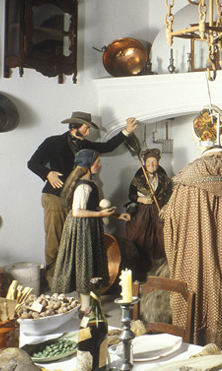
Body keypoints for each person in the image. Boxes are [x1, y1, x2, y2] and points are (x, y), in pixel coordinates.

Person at [161, 106, 222, 350]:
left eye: (194, 133)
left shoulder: (196, 171)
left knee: (205, 283)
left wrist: (167, 211)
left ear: (202, 134)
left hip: (201, 242)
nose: (193, 139)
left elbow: (175, 213)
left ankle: (202, 343)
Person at [28, 111, 139, 286]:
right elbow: (32, 163)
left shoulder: (84, 145)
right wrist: (47, 173)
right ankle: (53, 281)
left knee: (72, 240)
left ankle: (68, 280)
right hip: (55, 196)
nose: (88, 132)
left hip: (75, 197)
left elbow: (107, 146)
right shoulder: (53, 142)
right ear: (74, 127)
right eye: (86, 128)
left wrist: (127, 131)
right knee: (54, 240)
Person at [51, 149, 130, 312]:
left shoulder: (88, 183)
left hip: (89, 227)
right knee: (85, 266)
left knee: (90, 265)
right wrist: (101, 213)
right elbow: (77, 212)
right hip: (82, 229)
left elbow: (89, 207)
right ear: (87, 165)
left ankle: (91, 307)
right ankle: (86, 309)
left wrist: (116, 215)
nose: (100, 165)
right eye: (97, 162)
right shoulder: (83, 186)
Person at [124, 148, 172, 272]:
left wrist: (165, 207)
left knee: (161, 238)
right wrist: (141, 200)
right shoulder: (138, 179)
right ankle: (141, 269)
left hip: (159, 211)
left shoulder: (164, 179)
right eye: (148, 162)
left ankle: (159, 268)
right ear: (145, 163)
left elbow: (169, 194)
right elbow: (131, 195)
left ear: (158, 162)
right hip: (142, 213)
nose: (151, 165)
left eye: (154, 161)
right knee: (140, 236)